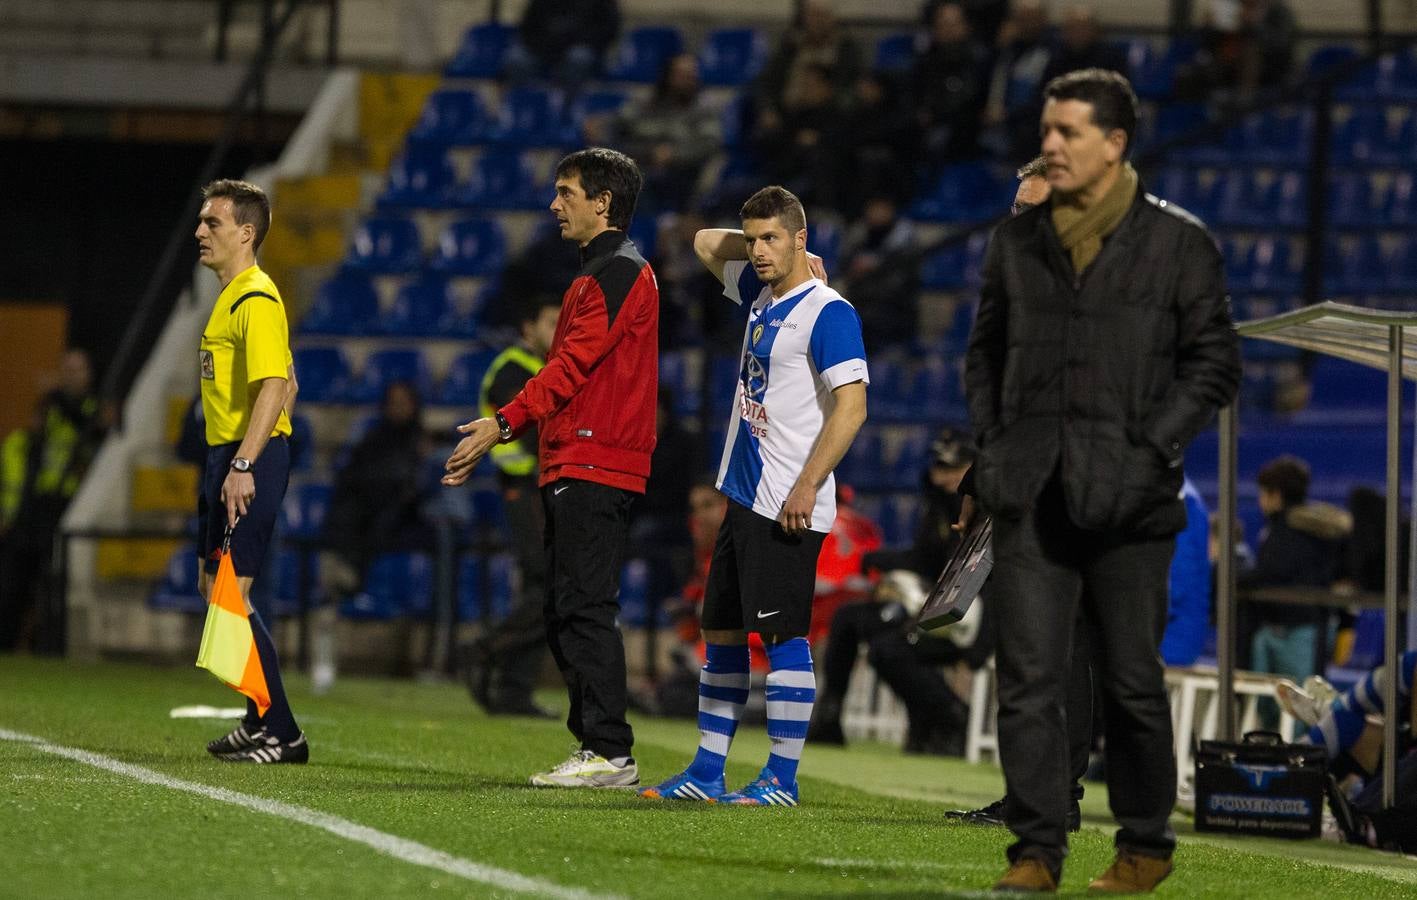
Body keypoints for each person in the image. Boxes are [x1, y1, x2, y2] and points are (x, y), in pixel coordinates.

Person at [964, 70, 1240, 891]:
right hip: (1029, 492)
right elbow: (983, 352)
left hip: (1131, 501)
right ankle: (1035, 851)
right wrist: (995, 442)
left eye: (1068, 132)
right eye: (1046, 129)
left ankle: (1144, 843)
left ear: (1114, 145)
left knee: (1128, 683)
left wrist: (1150, 444)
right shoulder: (1014, 241)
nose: (1050, 144)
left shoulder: (1178, 243)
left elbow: (1214, 362)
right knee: (1027, 682)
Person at [639, 185, 869, 807]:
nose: (759, 251)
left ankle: (781, 780)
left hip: (786, 502)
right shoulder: (762, 293)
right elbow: (702, 242)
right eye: (755, 239)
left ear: (802, 238)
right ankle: (707, 771)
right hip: (744, 496)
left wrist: (809, 482)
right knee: (719, 632)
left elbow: (853, 407)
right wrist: (762, 248)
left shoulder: (828, 311)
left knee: (783, 637)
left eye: (774, 238)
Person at [442, 148, 659, 789]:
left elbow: (570, 370)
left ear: (603, 203)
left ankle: (609, 751)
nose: (554, 204)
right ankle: (596, 746)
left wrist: (501, 423)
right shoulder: (600, 273)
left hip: (596, 455)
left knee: (584, 605)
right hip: (576, 455)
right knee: (568, 607)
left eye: (566, 192)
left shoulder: (617, 272)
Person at [192, 178, 307, 764]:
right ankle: (256, 717)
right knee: (216, 590)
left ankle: (283, 732)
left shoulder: (255, 299)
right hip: (227, 454)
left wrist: (247, 461)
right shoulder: (235, 296)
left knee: (232, 595)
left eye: (212, 223)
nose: (200, 232)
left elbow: (271, 387)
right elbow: (288, 380)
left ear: (246, 232)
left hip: (243, 457)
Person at [810, 427, 988, 754]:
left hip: (973, 618)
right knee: (849, 617)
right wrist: (880, 560)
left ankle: (948, 715)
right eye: (938, 467)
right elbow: (924, 560)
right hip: (934, 607)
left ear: (972, 469)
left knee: (889, 648)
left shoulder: (981, 510)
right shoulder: (937, 509)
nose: (943, 475)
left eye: (953, 468)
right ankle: (829, 715)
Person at [461, 298, 560, 717]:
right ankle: (484, 651)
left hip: (540, 486)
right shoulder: (514, 369)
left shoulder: (542, 368)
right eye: (552, 321)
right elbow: (526, 430)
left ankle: (513, 691)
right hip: (525, 485)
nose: (560, 330)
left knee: (547, 587)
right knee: (548, 583)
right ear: (528, 327)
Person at [313, 380, 436, 692]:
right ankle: (345, 577)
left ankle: (432, 659)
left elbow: (418, 490)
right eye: (392, 401)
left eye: (403, 401)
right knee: (343, 525)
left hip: (406, 527)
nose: (397, 407)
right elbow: (351, 479)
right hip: (360, 525)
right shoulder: (373, 440)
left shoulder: (421, 443)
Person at [0, 349, 110, 653]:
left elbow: (90, 429)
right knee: (14, 582)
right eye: (67, 368)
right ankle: (7, 644)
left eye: (78, 369)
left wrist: (55, 396)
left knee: (54, 583)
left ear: (89, 374)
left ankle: (50, 648)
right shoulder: (48, 406)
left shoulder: (90, 407)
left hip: (67, 505)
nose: (71, 375)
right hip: (35, 506)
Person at [1238, 455, 1350, 720]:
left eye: (1263, 494)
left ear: (1275, 495)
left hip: (1299, 631)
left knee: (1296, 710)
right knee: (1282, 707)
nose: (1260, 501)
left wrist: (1234, 578)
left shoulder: (1288, 530)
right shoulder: (1313, 527)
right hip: (1291, 628)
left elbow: (1271, 572)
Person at [501, 0, 620, 87]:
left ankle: (567, 111)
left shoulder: (603, 4)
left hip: (582, 48)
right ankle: (525, 109)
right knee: (517, 60)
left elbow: (607, 30)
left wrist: (577, 40)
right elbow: (529, 27)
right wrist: (545, 44)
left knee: (579, 58)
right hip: (545, 48)